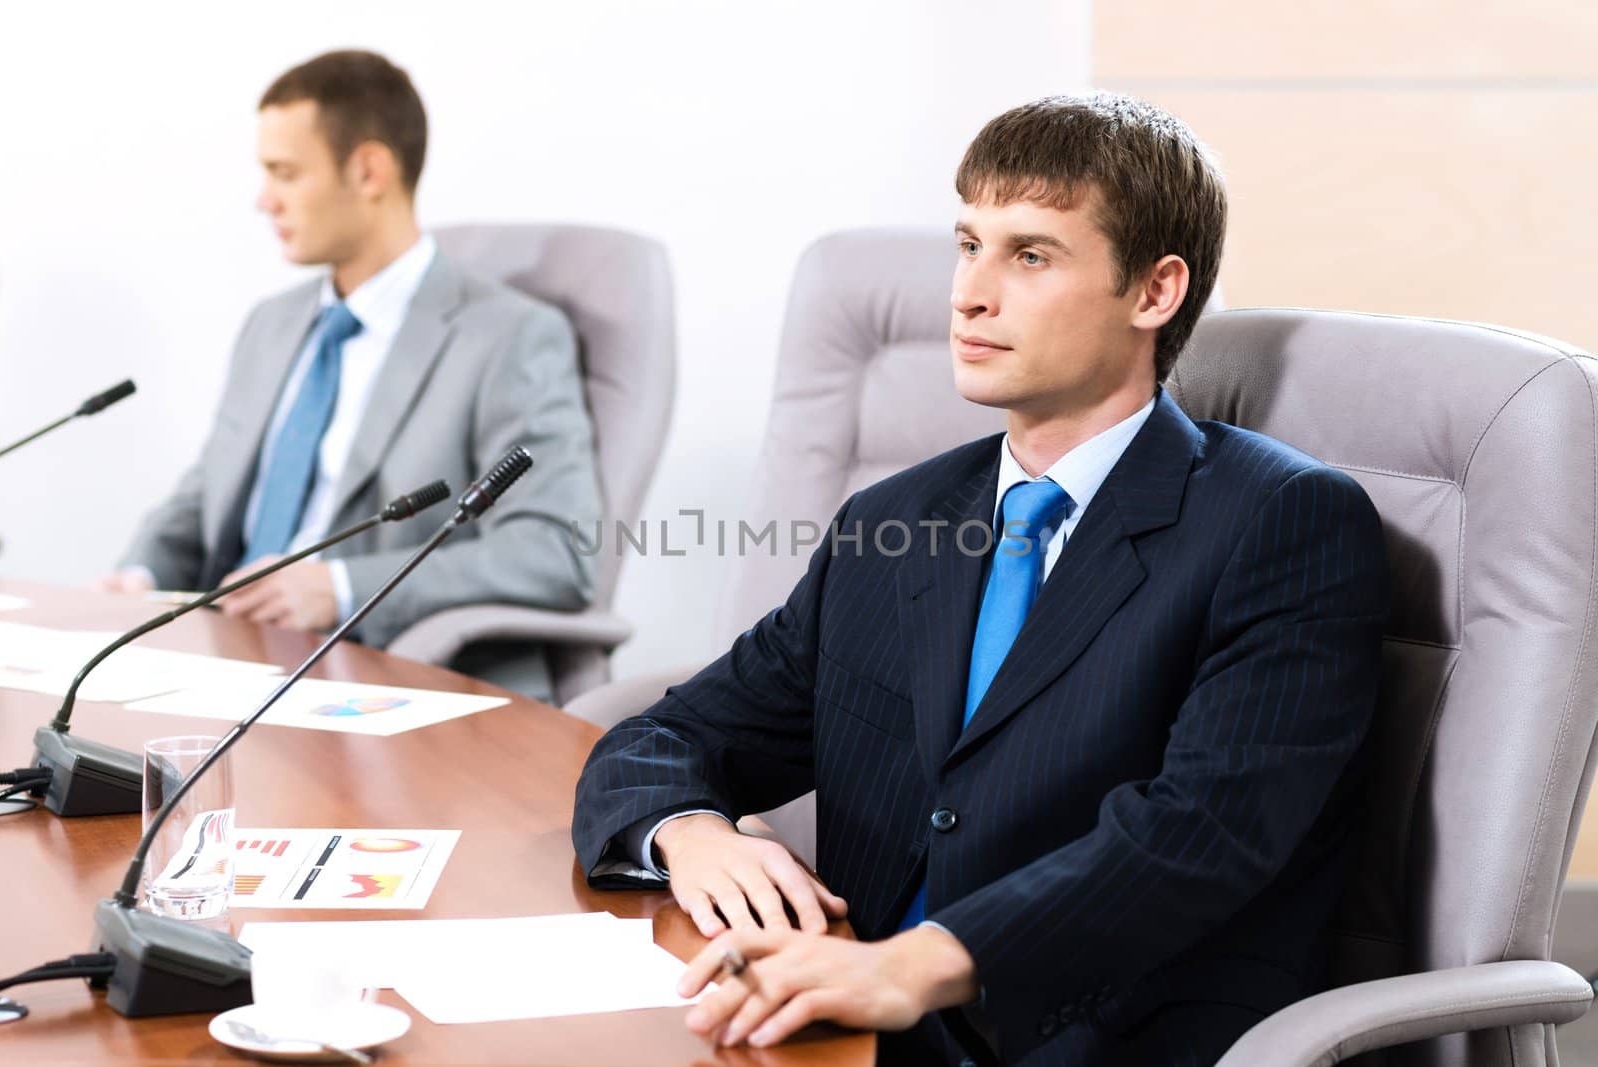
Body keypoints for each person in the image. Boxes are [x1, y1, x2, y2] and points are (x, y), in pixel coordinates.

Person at [574, 93, 1387, 1065]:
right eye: (968, 245)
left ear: (1154, 291)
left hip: (1087, 1035)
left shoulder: (1282, 521)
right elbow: (667, 735)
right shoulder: (891, 522)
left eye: (1029, 255)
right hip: (846, 1024)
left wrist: (918, 963)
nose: (968, 293)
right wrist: (691, 831)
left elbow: (1204, 832)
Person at [95, 50, 601, 700]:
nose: (263, 199)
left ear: (368, 169)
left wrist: (339, 587)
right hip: (216, 660)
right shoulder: (271, 324)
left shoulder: (508, 336)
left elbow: (554, 551)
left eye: (284, 173)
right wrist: (140, 573)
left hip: (370, 677)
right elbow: (207, 496)